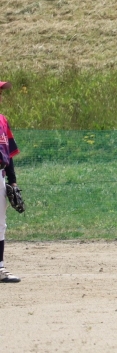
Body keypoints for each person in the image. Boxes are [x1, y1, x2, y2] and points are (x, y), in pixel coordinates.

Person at [0, 80, 21, 283]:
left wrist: (13, 182)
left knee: (0, 223)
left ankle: (0, 268)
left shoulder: (2, 120)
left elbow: (9, 154)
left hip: (0, 175)